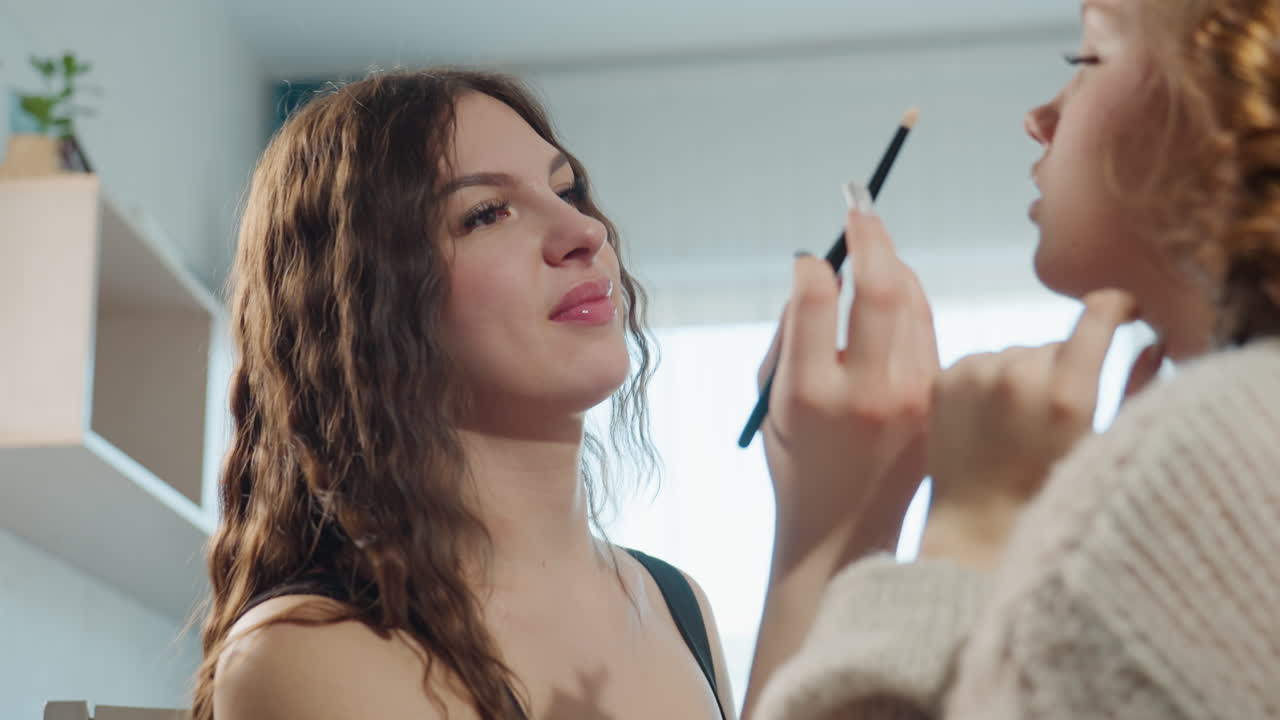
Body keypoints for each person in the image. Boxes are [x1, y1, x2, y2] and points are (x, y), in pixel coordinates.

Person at [745, 0, 1280, 717]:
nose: (1039, 116)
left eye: (1085, 62)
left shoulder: (1219, 442)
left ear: (1237, 103)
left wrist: (975, 526)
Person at [192, 70, 738, 720]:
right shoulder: (305, 652)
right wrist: (819, 543)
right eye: (485, 214)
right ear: (368, 311)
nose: (584, 233)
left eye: (569, 190)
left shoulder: (680, 607)